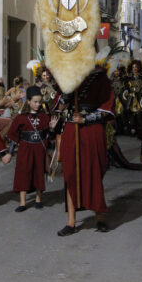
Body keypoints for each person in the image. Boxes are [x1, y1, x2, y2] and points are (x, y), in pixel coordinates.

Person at [55, 69, 114, 236]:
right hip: (71, 128)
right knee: (70, 173)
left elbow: (107, 109)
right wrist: (67, 91)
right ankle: (71, 222)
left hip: (92, 129)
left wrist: (86, 118)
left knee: (94, 171)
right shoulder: (68, 74)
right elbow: (59, 106)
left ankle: (100, 217)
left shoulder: (100, 77)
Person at [7, 86, 58, 212]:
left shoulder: (44, 116)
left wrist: (52, 128)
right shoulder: (21, 118)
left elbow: (49, 136)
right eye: (35, 101)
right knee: (23, 173)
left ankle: (38, 199)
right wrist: (10, 152)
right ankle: (23, 202)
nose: (37, 104)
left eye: (39, 102)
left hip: (39, 148)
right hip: (25, 147)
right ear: (28, 101)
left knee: (39, 171)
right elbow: (13, 134)